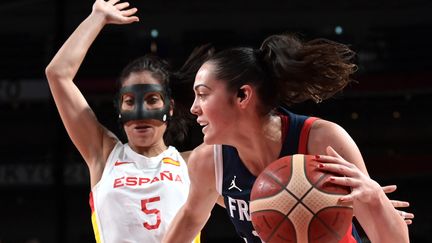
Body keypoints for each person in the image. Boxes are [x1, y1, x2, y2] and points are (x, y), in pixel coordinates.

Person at [162, 34, 411, 243]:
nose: (194, 108)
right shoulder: (208, 161)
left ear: (242, 96)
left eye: (203, 95)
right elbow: (191, 218)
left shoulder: (322, 141)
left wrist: (376, 200)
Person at [44, 0, 201, 242]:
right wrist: (98, 16)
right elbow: (57, 74)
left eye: (152, 99)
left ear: (169, 108)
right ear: (120, 108)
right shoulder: (104, 154)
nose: (141, 112)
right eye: (130, 101)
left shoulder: (195, 164)